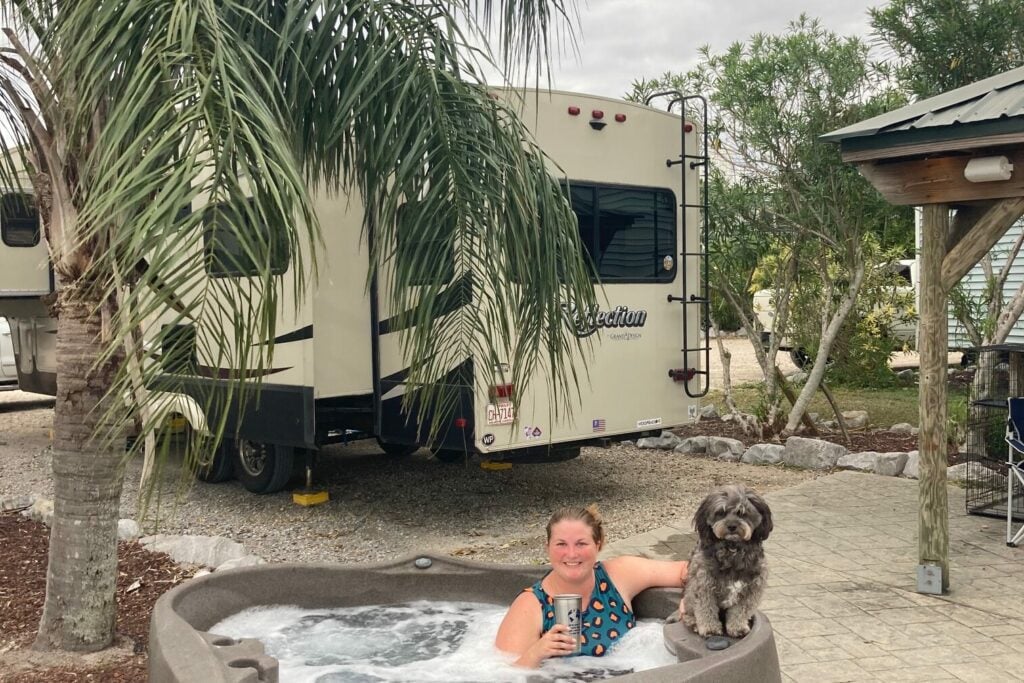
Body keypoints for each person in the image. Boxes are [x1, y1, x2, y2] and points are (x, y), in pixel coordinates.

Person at [495, 505, 688, 668]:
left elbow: (686, 570)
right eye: (561, 544)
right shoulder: (529, 606)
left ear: (598, 544)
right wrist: (536, 653)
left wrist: (692, 598)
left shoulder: (619, 574)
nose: (571, 554)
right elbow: (499, 674)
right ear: (548, 548)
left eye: (581, 544)